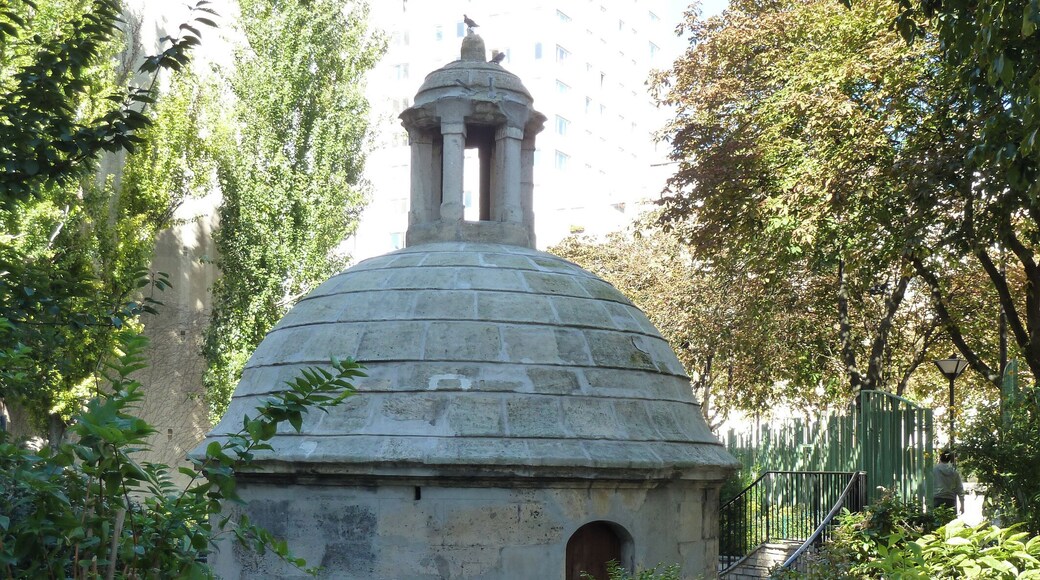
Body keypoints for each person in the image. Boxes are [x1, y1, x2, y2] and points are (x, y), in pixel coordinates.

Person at [933, 450, 965, 515]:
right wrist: (962, 505)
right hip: (951, 500)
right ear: (950, 460)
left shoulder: (933, 470)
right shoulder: (954, 472)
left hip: (936, 500)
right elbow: (959, 488)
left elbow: (927, 485)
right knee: (950, 523)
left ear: (940, 458)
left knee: (936, 523)